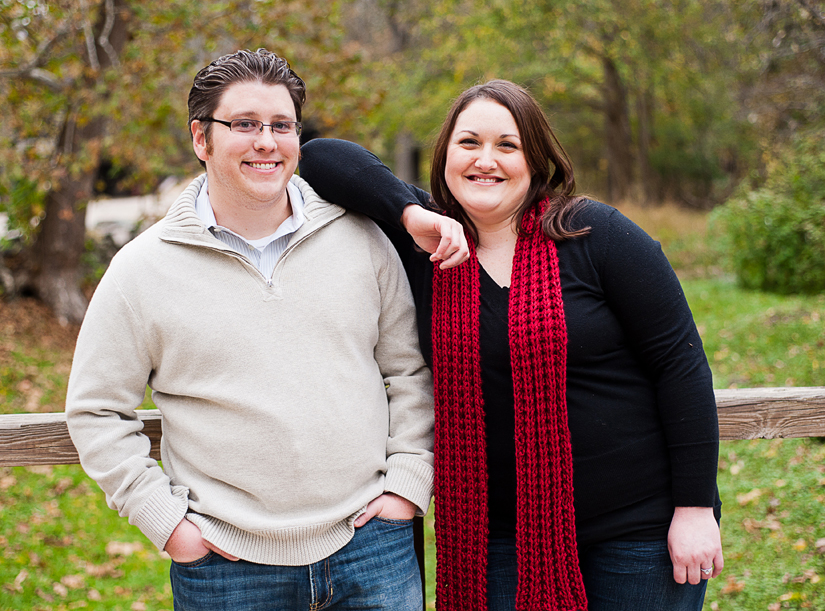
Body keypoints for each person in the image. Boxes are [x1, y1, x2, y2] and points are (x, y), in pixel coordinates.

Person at [298, 79, 724, 611]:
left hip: (638, 529)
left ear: (536, 159)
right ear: (446, 156)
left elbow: (679, 367)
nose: (486, 160)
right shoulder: (428, 247)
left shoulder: (596, 234)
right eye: (469, 142)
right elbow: (318, 158)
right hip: (495, 537)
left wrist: (694, 507)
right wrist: (409, 213)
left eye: (508, 145)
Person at [65, 48, 435, 611]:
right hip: (225, 568)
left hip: (371, 547)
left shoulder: (362, 241)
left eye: (281, 125)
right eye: (244, 124)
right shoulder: (142, 270)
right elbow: (96, 410)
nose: (267, 142)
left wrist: (407, 487)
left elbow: (410, 371)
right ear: (201, 139)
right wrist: (167, 525)